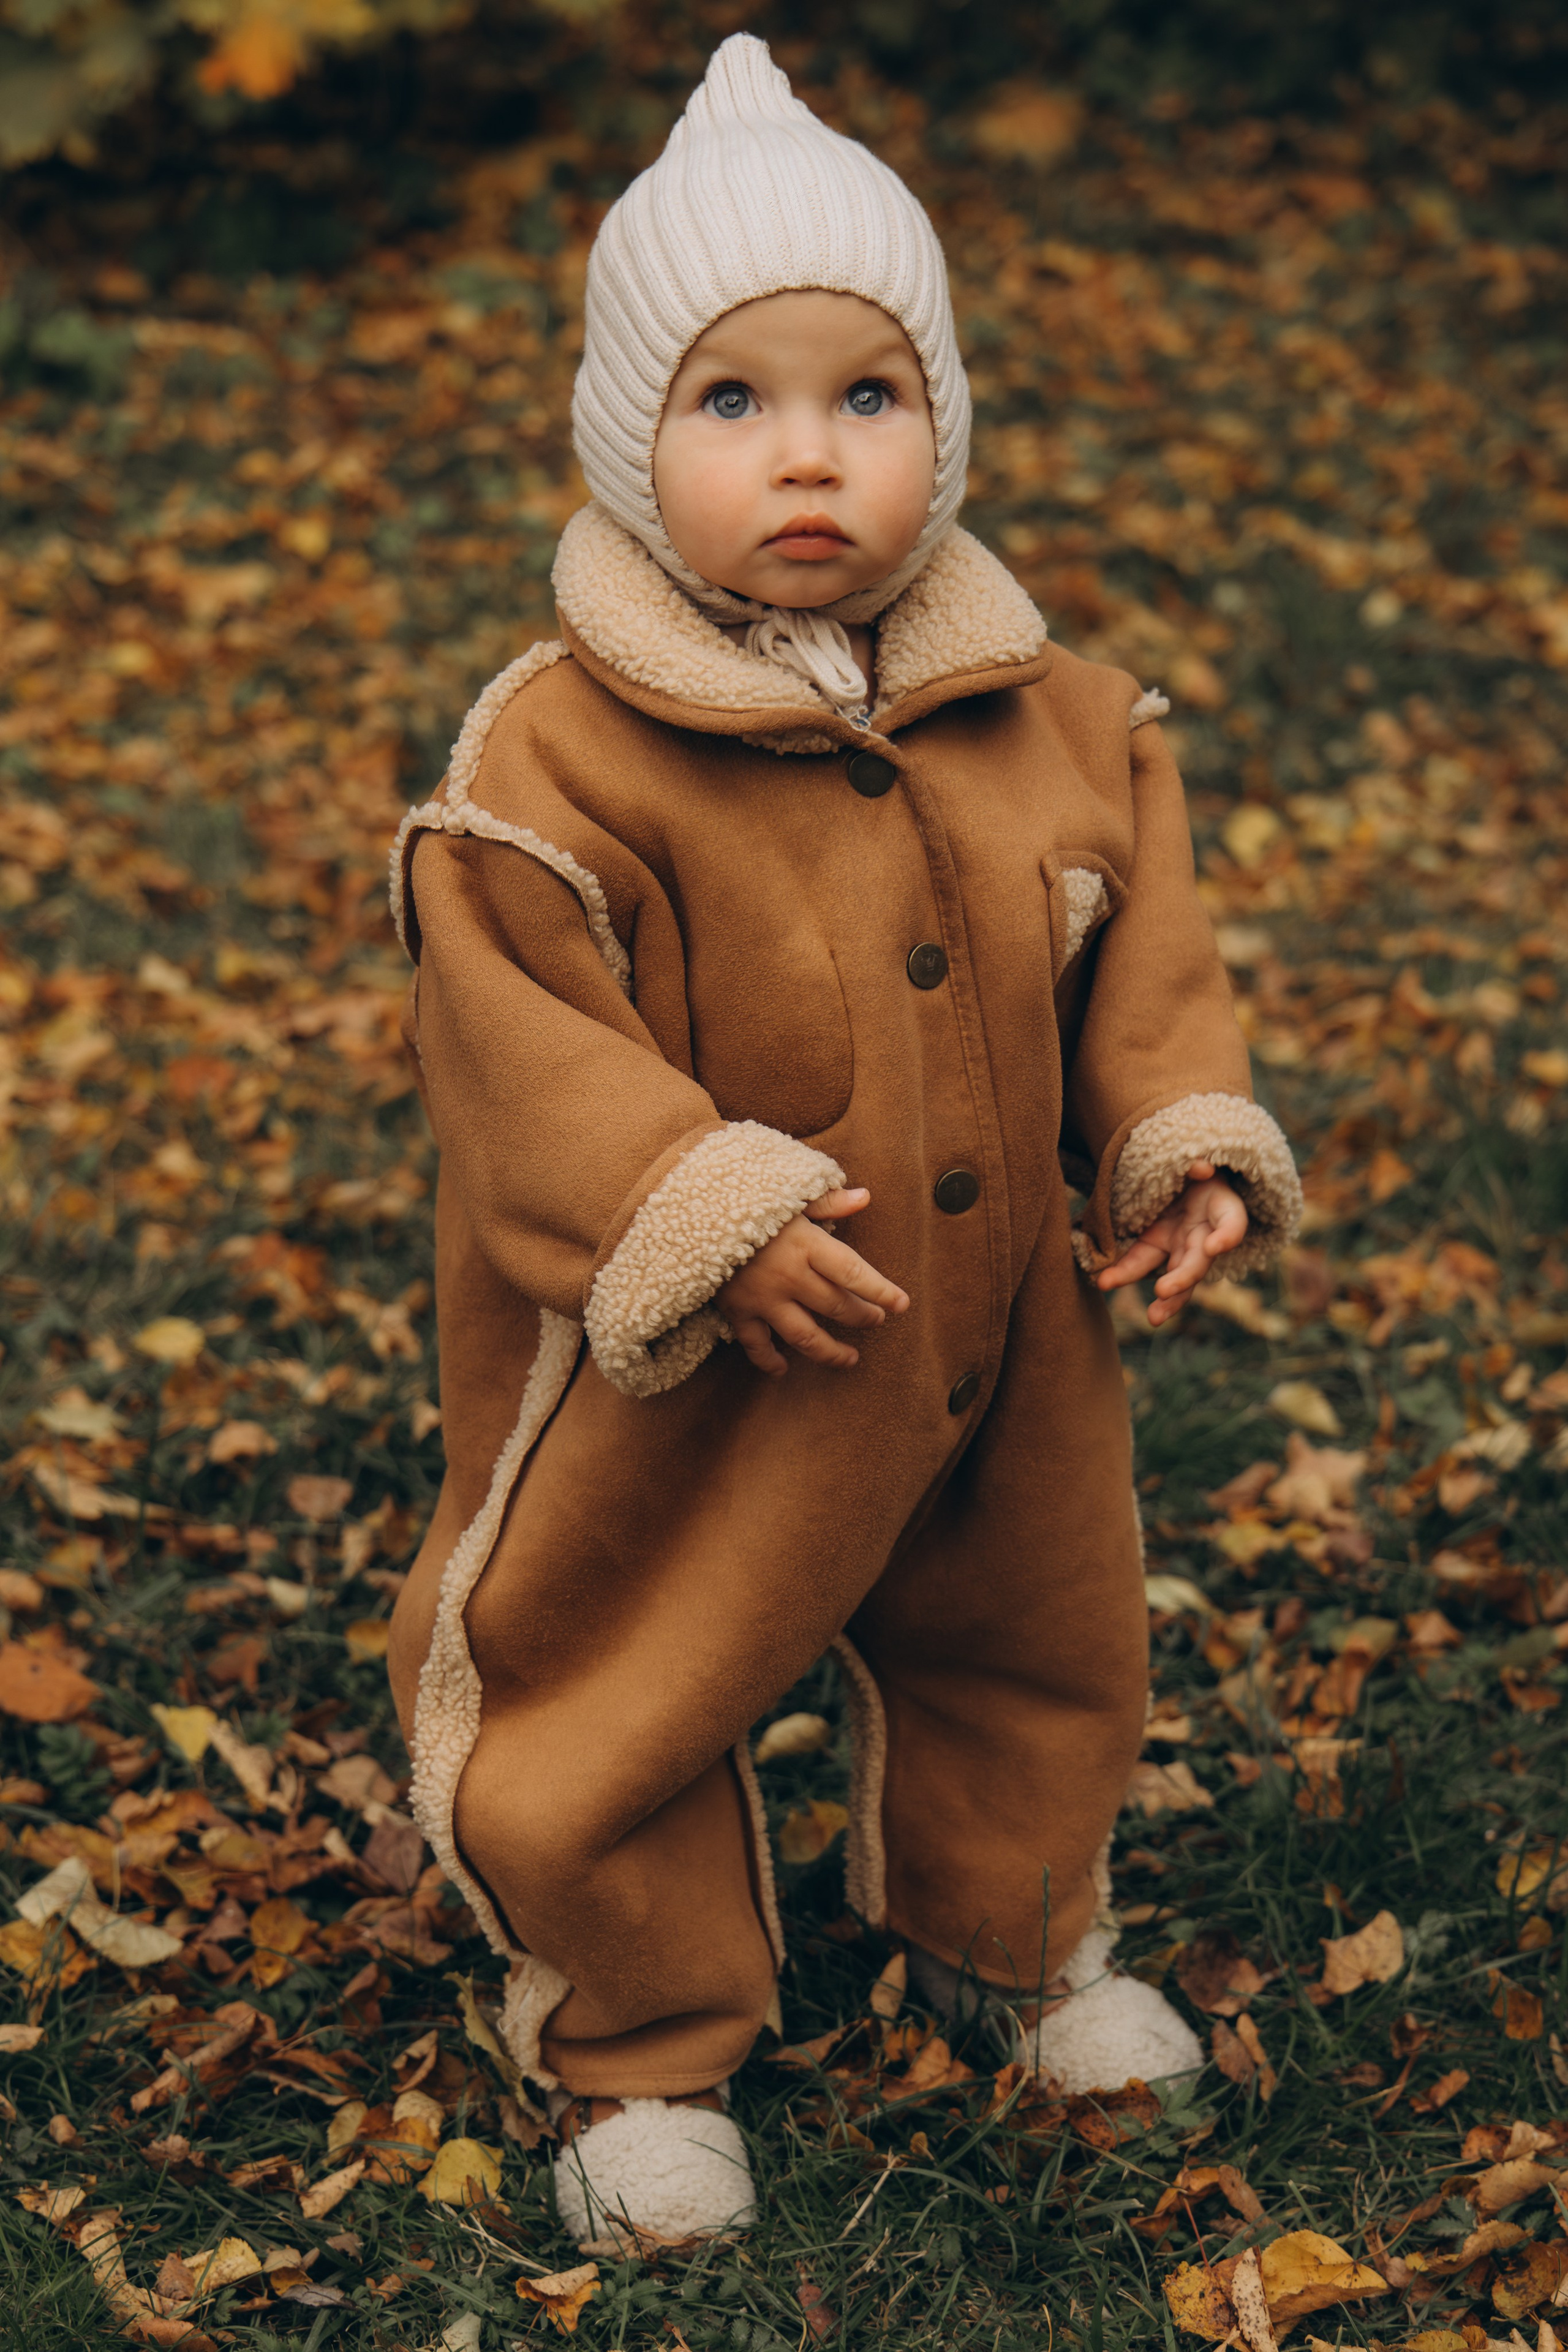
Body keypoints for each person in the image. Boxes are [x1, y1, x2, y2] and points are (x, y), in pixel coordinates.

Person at [385, 33, 1302, 2255]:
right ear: (631, 438)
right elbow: (521, 1036)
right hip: (696, 1355)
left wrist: (1173, 1139)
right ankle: (640, 2044)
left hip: (995, 1334)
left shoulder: (1061, 719)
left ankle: (1010, 1945)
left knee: (1039, 1628)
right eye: (734, 402)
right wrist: (692, 1208)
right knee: (624, 1666)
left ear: (944, 426)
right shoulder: (561, 753)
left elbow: (1137, 954)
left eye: (866, 396)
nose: (809, 455)